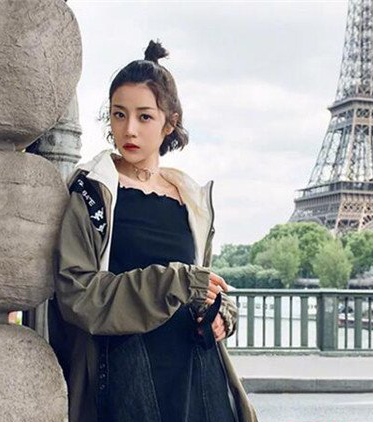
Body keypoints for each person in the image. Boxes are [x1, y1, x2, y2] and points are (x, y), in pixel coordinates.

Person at [48, 40, 258, 422]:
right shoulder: (93, 191)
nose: (129, 129)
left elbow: (202, 282)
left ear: (169, 123)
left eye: (144, 117)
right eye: (119, 114)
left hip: (198, 375)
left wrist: (220, 314)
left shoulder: (189, 198)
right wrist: (175, 282)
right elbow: (77, 294)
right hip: (129, 377)